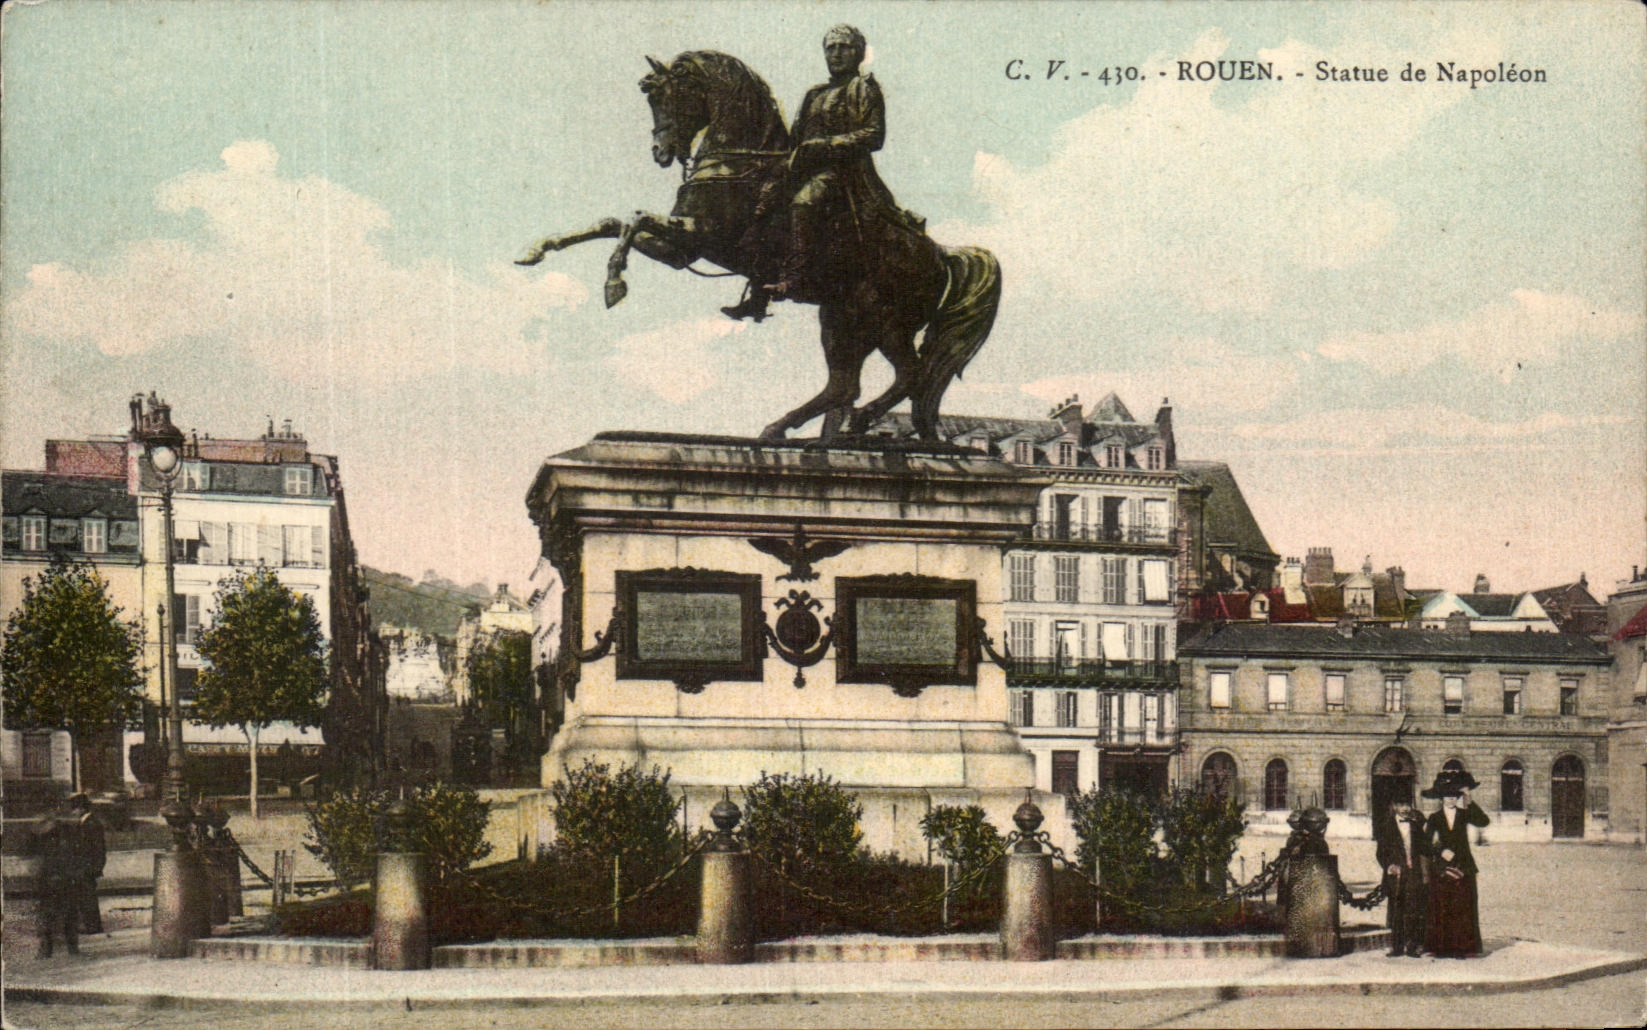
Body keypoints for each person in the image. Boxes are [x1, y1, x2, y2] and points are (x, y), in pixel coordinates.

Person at [722, 25, 909, 322]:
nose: (836, 53)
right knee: (762, 202)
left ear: (858, 53)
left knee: (804, 202)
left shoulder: (864, 88)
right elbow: (796, 137)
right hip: (806, 167)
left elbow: (874, 135)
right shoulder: (815, 93)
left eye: (844, 47)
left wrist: (827, 144)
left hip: (844, 172)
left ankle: (796, 280)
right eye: (830, 47)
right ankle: (757, 296)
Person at [1422, 770, 1490, 957]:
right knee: (1444, 906)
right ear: (1441, 798)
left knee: (1464, 907)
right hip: (1443, 866)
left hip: (1465, 864)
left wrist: (1469, 798)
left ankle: (1464, 948)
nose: (1451, 799)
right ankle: (1443, 948)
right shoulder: (1434, 818)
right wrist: (1440, 850)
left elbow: (1484, 821)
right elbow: (1424, 843)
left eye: (1454, 795)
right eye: (1447, 795)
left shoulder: (1464, 813)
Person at [27, 799, 85, 957]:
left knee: (65, 913)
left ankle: (67, 947)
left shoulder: (65, 830)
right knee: (50, 913)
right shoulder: (38, 833)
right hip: (51, 877)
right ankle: (50, 947)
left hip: (62, 876)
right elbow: (31, 853)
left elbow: (75, 852)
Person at [1374, 800, 1429, 957]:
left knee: (1413, 908)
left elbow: (1425, 847)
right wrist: (1389, 865)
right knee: (1396, 909)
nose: (1405, 809)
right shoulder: (1385, 827)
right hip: (1396, 874)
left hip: (1413, 872)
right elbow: (1381, 852)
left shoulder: (1416, 825)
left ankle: (1412, 946)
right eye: (1401, 805)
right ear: (1394, 807)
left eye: (1407, 805)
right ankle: (1397, 947)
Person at [70, 793, 107, 935]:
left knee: (88, 897)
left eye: (75, 809)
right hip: (84, 867)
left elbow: (98, 848)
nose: (73, 812)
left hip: (88, 867)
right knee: (85, 896)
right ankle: (90, 924)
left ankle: (93, 926)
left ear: (81, 808)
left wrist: (96, 867)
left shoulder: (91, 823)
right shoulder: (85, 822)